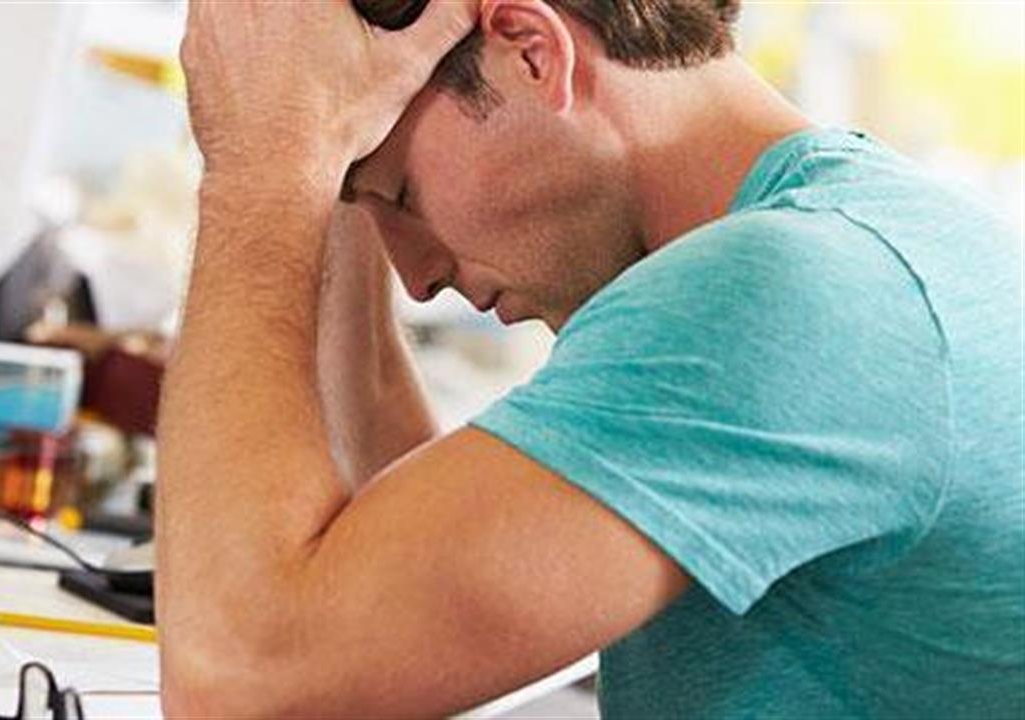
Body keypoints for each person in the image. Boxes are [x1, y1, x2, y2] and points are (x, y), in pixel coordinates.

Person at [156, 0, 1025, 716]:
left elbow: (244, 682)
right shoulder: (875, 238)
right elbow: (402, 590)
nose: (415, 279)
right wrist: (328, 156)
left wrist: (268, 158)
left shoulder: (783, 296)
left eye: (404, 197)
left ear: (532, 52)